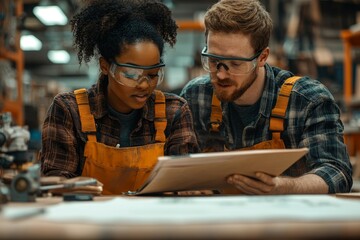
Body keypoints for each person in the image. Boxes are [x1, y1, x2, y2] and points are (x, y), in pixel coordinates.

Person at [180, 0, 353, 194]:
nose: (220, 74)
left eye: (235, 64)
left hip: (285, 220)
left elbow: (337, 173)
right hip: (213, 221)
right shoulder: (195, 97)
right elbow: (176, 168)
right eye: (213, 61)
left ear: (262, 57)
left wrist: (284, 186)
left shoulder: (308, 101)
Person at [39, 0, 200, 195]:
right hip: (87, 222)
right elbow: (56, 187)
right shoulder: (69, 111)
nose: (143, 85)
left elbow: (185, 185)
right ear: (105, 66)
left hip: (154, 223)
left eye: (152, 75)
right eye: (131, 75)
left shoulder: (173, 112)